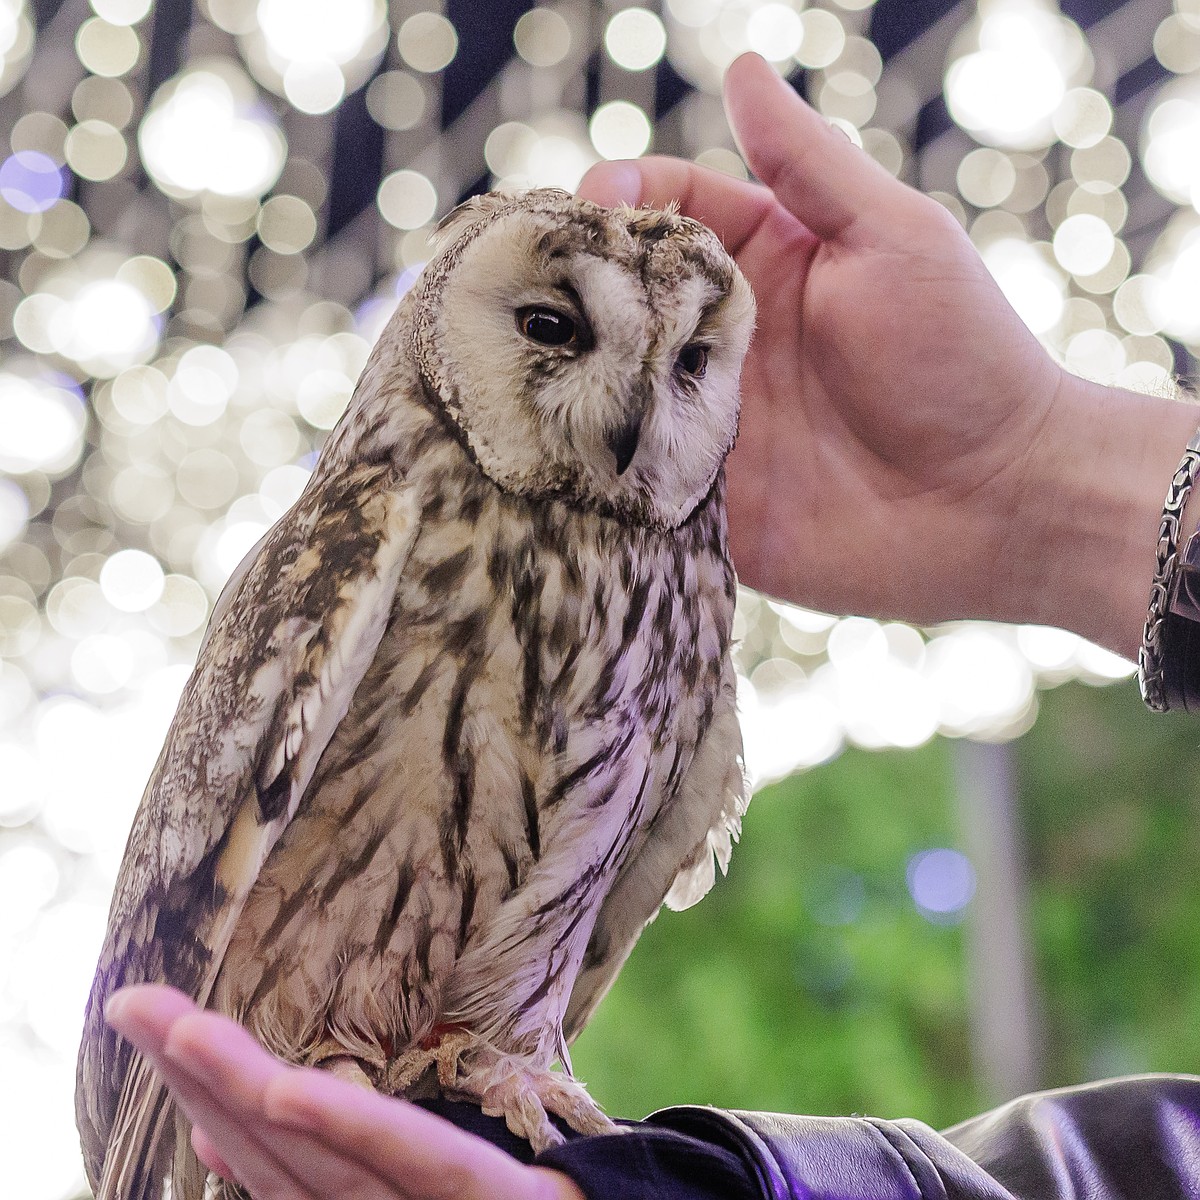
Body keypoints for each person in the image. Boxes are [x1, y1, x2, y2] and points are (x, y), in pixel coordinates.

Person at [102, 52, 1200, 1199]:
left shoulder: (684, 643)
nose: (626, 413)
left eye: (689, 365)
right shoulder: (363, 537)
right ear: (440, 338)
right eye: (547, 328)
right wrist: (1031, 471)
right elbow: (190, 919)